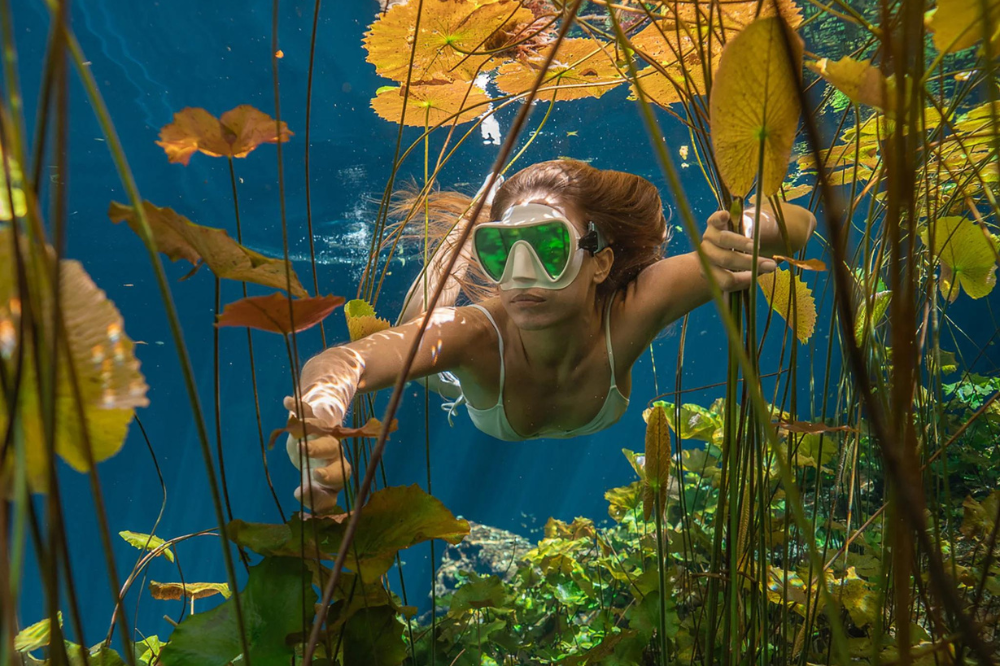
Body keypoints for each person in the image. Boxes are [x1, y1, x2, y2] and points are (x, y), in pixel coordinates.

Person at [284, 159, 816, 513]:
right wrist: (318, 418)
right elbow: (345, 360)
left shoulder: (637, 307)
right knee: (422, 319)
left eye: (548, 247)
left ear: (601, 263)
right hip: (459, 381)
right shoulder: (474, 336)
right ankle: (464, 237)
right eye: (501, 249)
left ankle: (476, 228)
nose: (520, 273)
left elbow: (802, 224)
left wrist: (747, 230)